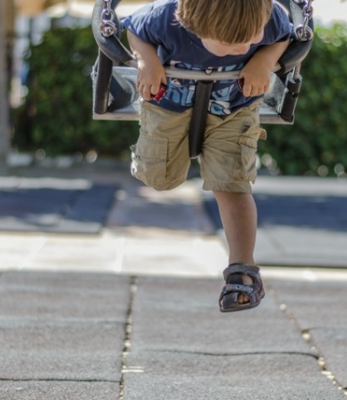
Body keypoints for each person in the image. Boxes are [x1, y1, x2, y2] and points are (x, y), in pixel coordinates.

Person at [121, 0, 292, 312]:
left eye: (250, 39)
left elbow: (284, 36)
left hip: (234, 108)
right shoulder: (165, 17)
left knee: (233, 184)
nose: (241, 47)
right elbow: (134, 29)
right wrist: (146, 59)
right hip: (168, 103)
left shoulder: (267, 14)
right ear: (190, 22)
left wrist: (264, 60)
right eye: (229, 43)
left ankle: (243, 269)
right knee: (159, 179)